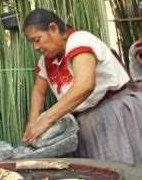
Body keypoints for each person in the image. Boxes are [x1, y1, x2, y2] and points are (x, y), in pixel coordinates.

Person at [21, 8, 142, 164]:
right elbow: (39, 90)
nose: (35, 47)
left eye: (37, 40)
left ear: (53, 29)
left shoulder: (79, 39)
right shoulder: (47, 60)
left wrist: (48, 119)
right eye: (32, 42)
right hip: (87, 121)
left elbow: (85, 85)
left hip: (114, 113)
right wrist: (33, 121)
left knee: (122, 166)